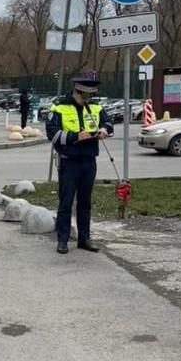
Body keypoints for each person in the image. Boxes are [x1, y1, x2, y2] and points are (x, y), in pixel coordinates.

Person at [45, 78, 113, 255]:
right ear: (76, 92)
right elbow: (52, 134)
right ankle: (62, 240)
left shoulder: (95, 107)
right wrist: (75, 137)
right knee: (66, 202)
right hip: (70, 161)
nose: (87, 99)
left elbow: (108, 122)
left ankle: (84, 239)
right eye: (84, 96)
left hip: (89, 161)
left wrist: (104, 130)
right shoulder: (59, 107)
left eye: (89, 96)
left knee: (85, 202)